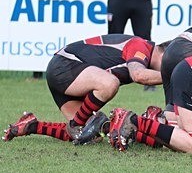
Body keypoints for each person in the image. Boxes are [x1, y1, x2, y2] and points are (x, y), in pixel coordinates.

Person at [2, 34, 168, 143]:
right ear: (165, 54)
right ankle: (76, 124)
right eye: (171, 64)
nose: (169, 69)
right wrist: (171, 76)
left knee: (87, 133)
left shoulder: (147, 58)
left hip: (70, 75)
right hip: (66, 65)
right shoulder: (141, 45)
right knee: (109, 84)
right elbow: (139, 75)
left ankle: (32, 125)